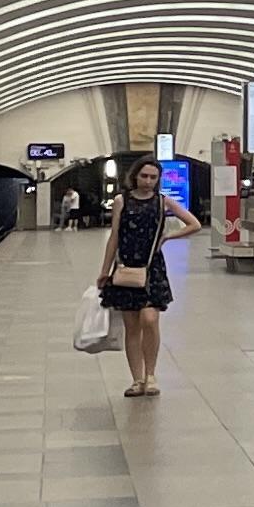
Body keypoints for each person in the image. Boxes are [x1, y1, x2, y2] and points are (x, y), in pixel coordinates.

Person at [98, 164, 204, 398]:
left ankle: (151, 374)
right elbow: (114, 236)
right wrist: (105, 270)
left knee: (149, 318)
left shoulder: (162, 202)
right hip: (126, 266)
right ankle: (137, 379)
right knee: (132, 326)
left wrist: (168, 237)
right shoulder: (121, 201)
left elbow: (194, 224)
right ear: (135, 176)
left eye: (153, 177)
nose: (148, 181)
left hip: (151, 268)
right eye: (144, 176)